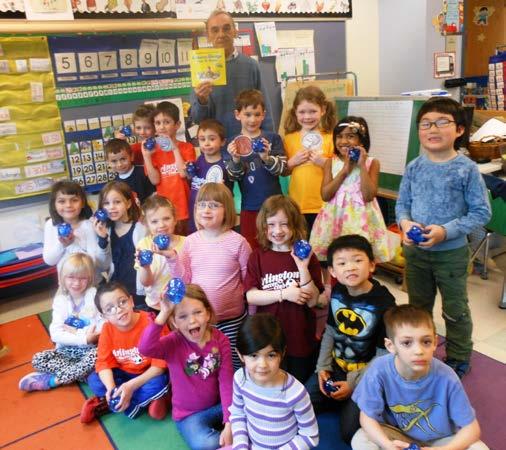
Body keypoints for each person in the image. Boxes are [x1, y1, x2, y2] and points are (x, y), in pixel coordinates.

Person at [395, 97, 491, 379]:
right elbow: (402, 204)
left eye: (441, 122)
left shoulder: (466, 169)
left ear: (459, 129)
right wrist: (405, 223)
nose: (432, 129)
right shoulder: (414, 166)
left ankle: (459, 356)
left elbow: (480, 212)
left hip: (451, 254)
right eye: (425, 124)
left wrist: (444, 232)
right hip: (416, 254)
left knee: (455, 309)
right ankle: (419, 351)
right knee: (418, 308)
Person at [351, 304, 488, 450]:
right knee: (361, 440)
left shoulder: (447, 377)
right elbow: (367, 417)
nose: (418, 351)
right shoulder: (379, 369)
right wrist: (388, 445)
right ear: (391, 346)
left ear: (435, 343)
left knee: (479, 448)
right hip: (397, 435)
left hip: (439, 440)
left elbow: (472, 429)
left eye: (426, 342)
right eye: (407, 343)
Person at [305, 235, 396, 444]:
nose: (350, 267)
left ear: (372, 265)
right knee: (301, 403)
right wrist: (322, 368)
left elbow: (384, 356)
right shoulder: (337, 291)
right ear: (333, 272)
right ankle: (338, 399)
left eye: (357, 260)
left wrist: (353, 384)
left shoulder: (384, 303)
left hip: (366, 374)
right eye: (342, 263)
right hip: (336, 367)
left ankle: (357, 402)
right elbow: (329, 331)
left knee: (350, 433)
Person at [139, 284, 233, 450]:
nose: (192, 320)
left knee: (247, 406)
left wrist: (229, 422)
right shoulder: (172, 343)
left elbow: (226, 383)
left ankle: (230, 435)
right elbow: (145, 348)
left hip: (217, 407)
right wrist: (164, 312)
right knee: (204, 443)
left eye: (198, 312)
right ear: (174, 322)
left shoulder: (221, 340)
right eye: (182, 316)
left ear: (208, 313)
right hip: (188, 415)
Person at [245, 195, 322, 383]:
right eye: (271, 225)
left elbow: (313, 300)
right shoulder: (258, 256)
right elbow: (251, 296)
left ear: (295, 225)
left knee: (298, 383)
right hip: (268, 340)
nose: (277, 231)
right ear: (264, 227)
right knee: (271, 384)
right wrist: (284, 294)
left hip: (300, 337)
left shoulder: (307, 256)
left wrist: (302, 267)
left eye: (284, 224)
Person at [179, 182, 251, 370]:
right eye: (201, 205)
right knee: (208, 366)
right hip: (201, 322)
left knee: (236, 365)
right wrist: (172, 259)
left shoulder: (239, 242)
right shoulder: (190, 242)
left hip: (233, 321)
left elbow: (249, 282)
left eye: (214, 205)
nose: (206, 210)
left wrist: (251, 317)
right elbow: (184, 280)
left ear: (227, 210)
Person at [81, 281, 169, 423]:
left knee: (159, 383)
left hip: (147, 375)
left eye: (122, 302)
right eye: (110, 309)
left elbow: (159, 367)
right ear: (104, 316)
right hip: (123, 375)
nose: (118, 310)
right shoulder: (107, 329)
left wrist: (131, 386)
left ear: (131, 301)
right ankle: (131, 400)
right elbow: (103, 363)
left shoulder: (152, 323)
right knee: (94, 380)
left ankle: (111, 405)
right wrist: (111, 388)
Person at [229, 313, 319, 449]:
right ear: (240, 355)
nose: (262, 364)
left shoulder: (296, 393)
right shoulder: (240, 378)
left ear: (282, 353)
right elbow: (238, 414)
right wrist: (241, 446)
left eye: (271, 355)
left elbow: (310, 436)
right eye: (254, 355)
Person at [310, 116, 392, 264]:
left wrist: (361, 166)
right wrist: (344, 171)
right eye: (339, 136)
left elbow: (368, 195)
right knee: (336, 259)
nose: (343, 141)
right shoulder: (330, 162)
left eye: (350, 136)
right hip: (335, 220)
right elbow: (325, 195)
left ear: (361, 141)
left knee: (360, 258)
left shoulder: (372, 163)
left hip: (361, 223)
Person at [19, 253, 103, 392]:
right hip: (67, 350)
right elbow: (56, 334)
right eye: (71, 277)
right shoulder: (61, 300)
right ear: (62, 277)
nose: (76, 283)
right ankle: (81, 374)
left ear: (89, 279)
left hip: (90, 351)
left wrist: (74, 332)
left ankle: (52, 381)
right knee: (37, 359)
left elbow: (102, 326)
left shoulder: (94, 296)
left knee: (98, 355)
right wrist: (84, 337)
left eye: (82, 278)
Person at [190, 10, 274, 139]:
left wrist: (269, 141)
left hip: (249, 143)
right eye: (215, 30)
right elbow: (197, 119)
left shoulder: (251, 66)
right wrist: (202, 101)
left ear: (235, 32)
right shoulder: (200, 69)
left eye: (226, 28)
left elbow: (265, 110)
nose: (221, 34)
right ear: (208, 36)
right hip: (216, 146)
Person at [226, 89, 287, 248]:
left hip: (275, 206)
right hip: (250, 207)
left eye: (257, 114)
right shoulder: (233, 143)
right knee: (251, 248)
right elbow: (233, 176)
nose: (252, 119)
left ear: (263, 114)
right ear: (237, 114)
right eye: (247, 114)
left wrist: (266, 157)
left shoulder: (273, 138)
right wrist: (235, 159)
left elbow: (281, 169)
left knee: (279, 246)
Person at [283, 86, 336, 233]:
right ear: (295, 112)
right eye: (302, 112)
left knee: (322, 248)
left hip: (324, 205)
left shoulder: (331, 138)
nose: (307, 117)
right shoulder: (289, 139)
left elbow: (340, 169)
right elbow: (283, 171)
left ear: (323, 110)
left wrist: (324, 163)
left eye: (312, 111)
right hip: (297, 205)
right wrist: (292, 162)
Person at [142, 101, 196, 234]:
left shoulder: (186, 148)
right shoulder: (153, 151)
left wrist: (174, 148)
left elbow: (183, 174)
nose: (161, 127)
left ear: (177, 125)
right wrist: (147, 157)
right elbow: (155, 181)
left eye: (166, 122)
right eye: (158, 123)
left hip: (185, 209)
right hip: (164, 213)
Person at [43, 180, 109, 282]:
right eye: (62, 201)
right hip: (68, 286)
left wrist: (73, 245)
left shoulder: (89, 225)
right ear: (54, 205)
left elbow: (95, 262)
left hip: (93, 283)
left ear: (82, 203)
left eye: (74, 200)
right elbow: (49, 260)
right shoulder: (51, 225)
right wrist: (63, 245)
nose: (68, 205)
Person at [94, 181, 146, 308]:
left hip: (138, 291)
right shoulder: (105, 230)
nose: (111, 207)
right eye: (106, 203)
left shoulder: (139, 229)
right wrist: (102, 240)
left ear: (128, 204)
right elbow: (103, 265)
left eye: (117, 202)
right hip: (117, 291)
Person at [136, 195, 185, 310]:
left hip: (182, 305)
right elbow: (146, 282)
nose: (161, 225)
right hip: (156, 305)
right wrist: (145, 266)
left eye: (166, 218)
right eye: (154, 221)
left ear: (175, 219)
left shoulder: (186, 243)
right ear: (147, 224)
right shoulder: (144, 245)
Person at [188, 118, 233, 233]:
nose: (206, 143)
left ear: (222, 141)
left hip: (216, 219)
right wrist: (188, 172)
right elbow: (192, 182)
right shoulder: (198, 161)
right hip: (196, 214)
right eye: (202, 139)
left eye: (212, 139)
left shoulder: (226, 164)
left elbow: (227, 194)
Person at [105, 138, 155, 203]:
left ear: (131, 156)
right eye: (114, 161)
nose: (119, 164)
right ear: (108, 162)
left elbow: (154, 196)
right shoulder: (114, 184)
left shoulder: (144, 172)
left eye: (123, 159)